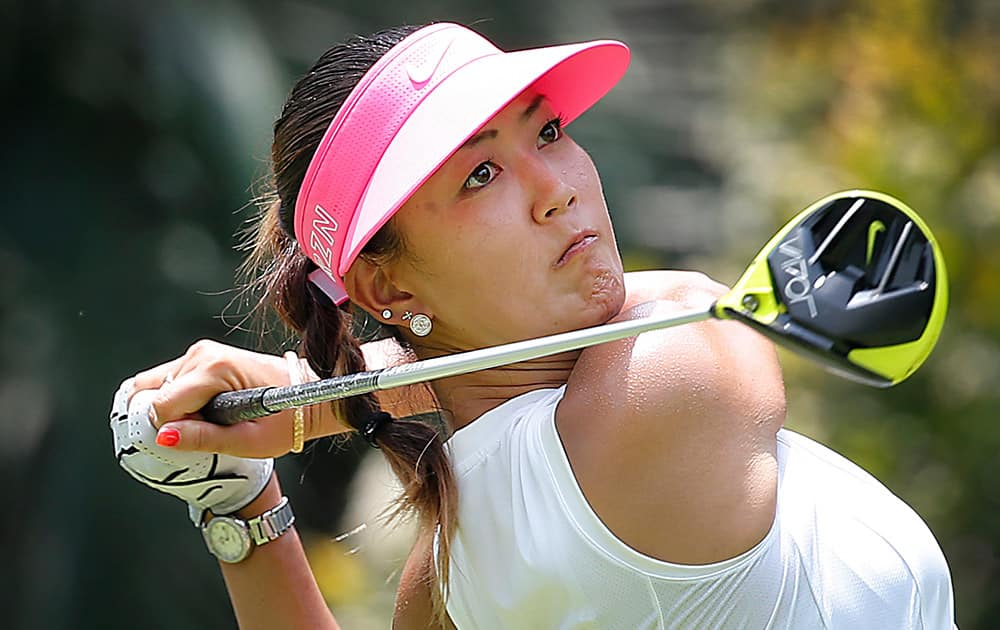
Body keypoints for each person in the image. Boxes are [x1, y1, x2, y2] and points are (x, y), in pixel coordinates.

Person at [109, 21, 957, 629]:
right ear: (384, 283)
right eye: (480, 174)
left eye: (547, 131)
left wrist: (240, 504)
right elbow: (697, 302)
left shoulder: (445, 582)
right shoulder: (669, 383)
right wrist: (312, 404)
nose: (556, 185)